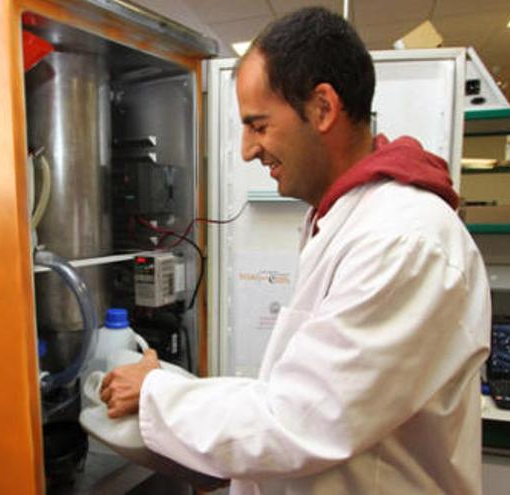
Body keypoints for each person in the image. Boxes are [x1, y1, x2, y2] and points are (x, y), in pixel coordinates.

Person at [100, 7, 490, 494]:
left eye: (258, 126)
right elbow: (297, 391)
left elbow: (302, 420)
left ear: (323, 108)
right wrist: (173, 390)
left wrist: (158, 393)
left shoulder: (403, 240)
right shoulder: (343, 220)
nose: (246, 150)